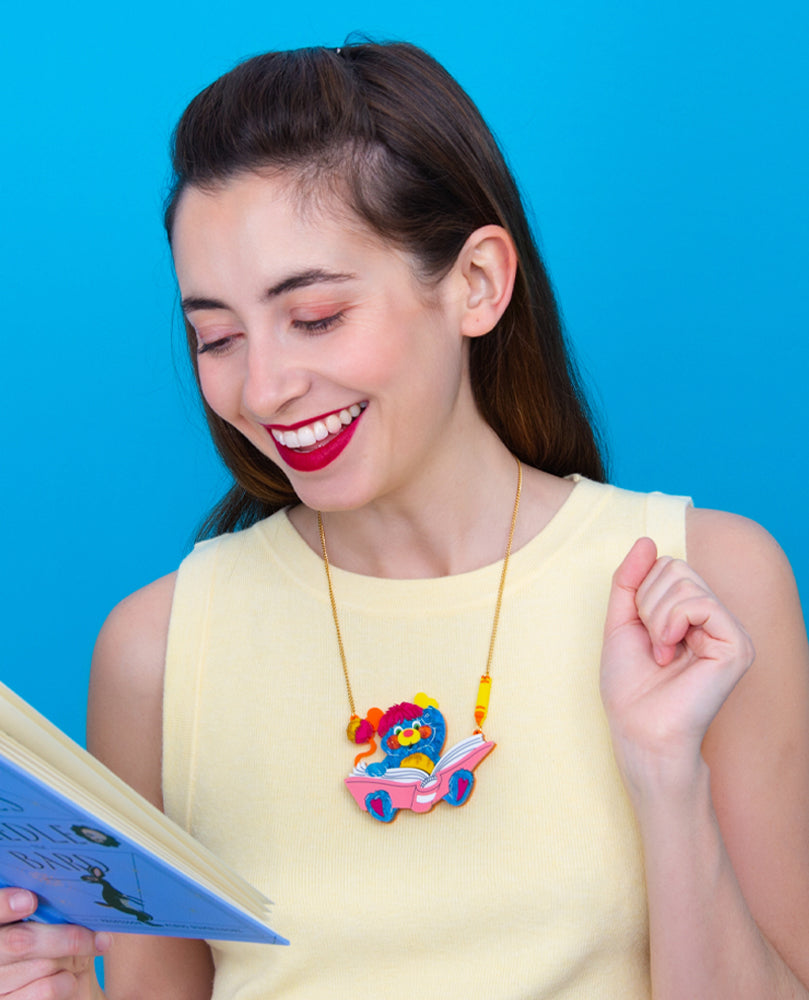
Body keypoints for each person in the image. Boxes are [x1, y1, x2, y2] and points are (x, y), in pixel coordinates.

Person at [0, 41, 807, 1000]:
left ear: (477, 283)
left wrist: (667, 778)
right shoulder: (156, 650)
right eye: (216, 336)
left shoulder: (707, 585)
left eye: (315, 317)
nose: (263, 388)